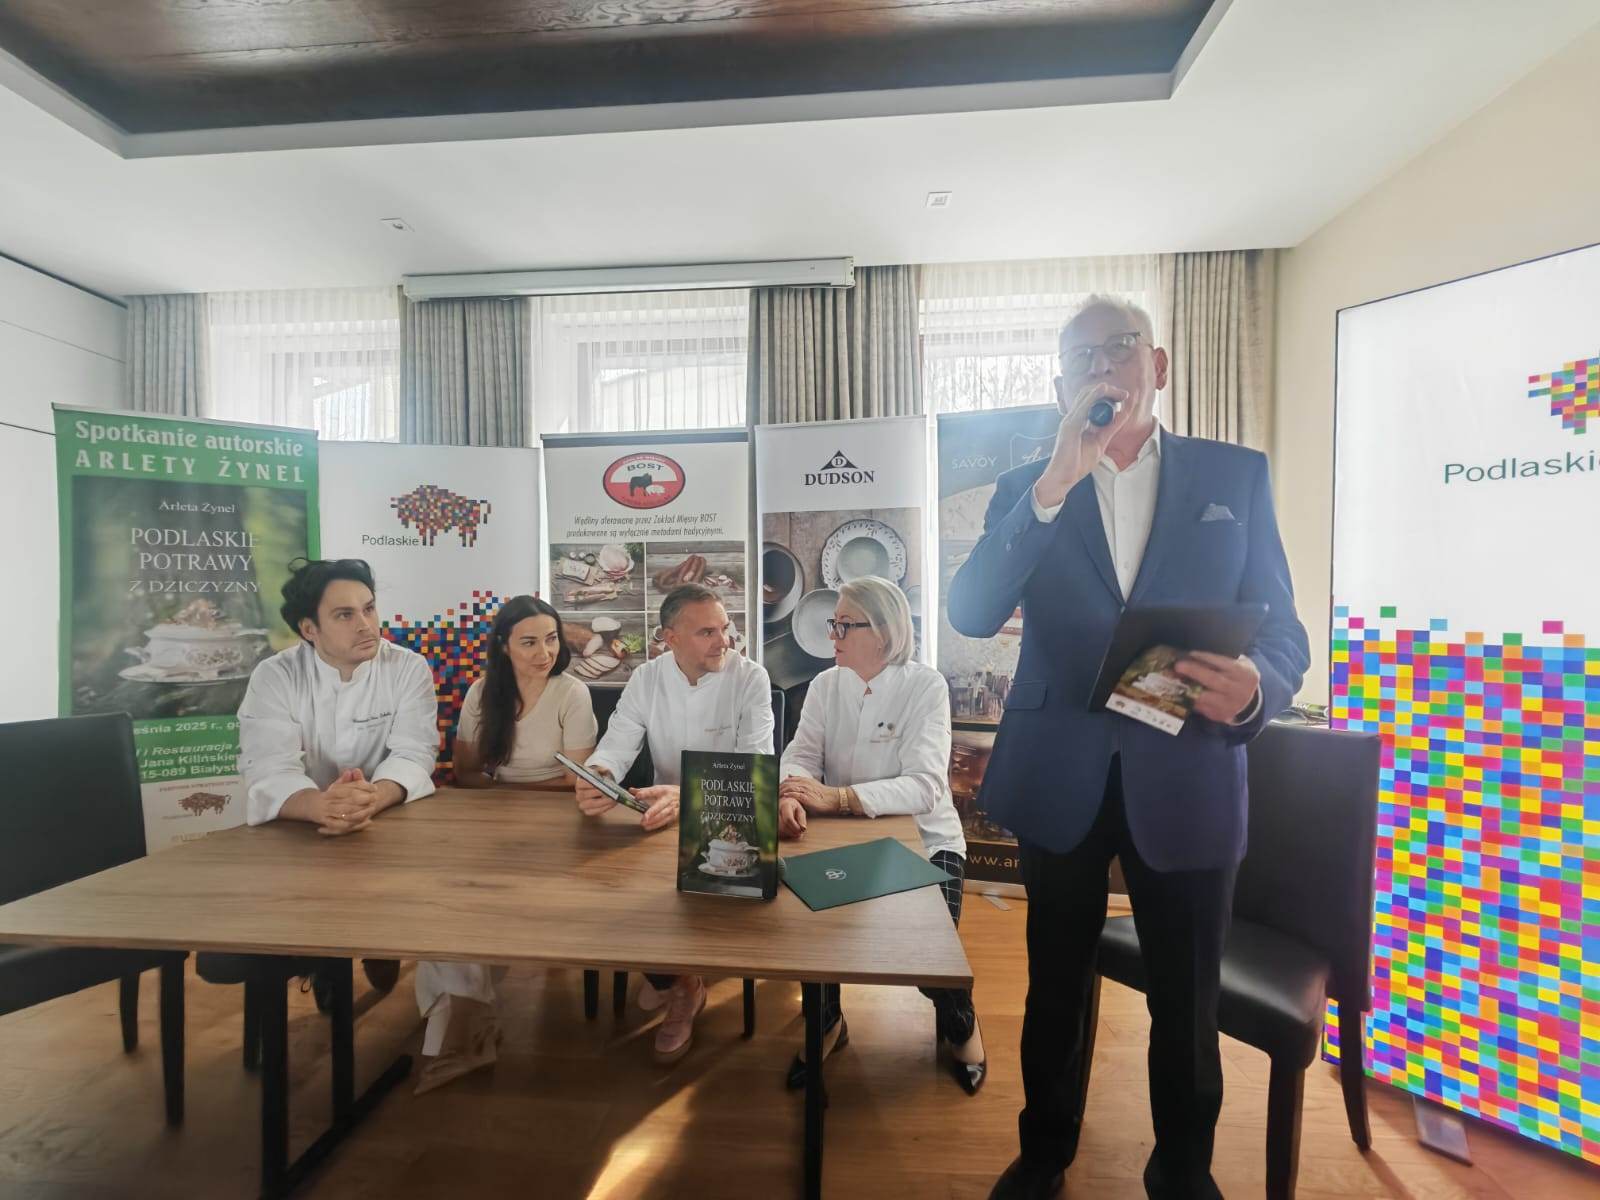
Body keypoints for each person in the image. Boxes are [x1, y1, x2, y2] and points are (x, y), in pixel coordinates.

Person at [948, 296, 1310, 1200]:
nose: (1102, 366)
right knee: (1054, 988)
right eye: (1081, 357)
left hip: (1188, 774)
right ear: (1059, 386)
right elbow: (971, 612)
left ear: (1158, 365)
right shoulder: (1029, 486)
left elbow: (1285, 635)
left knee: (1187, 999)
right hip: (1060, 775)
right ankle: (1044, 1154)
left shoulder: (1235, 476)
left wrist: (1258, 687)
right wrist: (1053, 484)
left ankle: (1182, 1171)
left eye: (1119, 347)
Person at [777, 576, 985, 1095]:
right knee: (813, 939)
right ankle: (828, 1023)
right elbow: (801, 754)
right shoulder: (826, 686)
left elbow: (925, 786)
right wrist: (791, 792)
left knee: (928, 957)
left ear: (885, 632)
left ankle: (961, 1024)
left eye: (845, 625)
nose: (833, 634)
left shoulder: (925, 686)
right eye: (834, 623)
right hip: (841, 841)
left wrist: (838, 798)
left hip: (926, 841)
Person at [217, 558, 438, 1010]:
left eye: (369, 608)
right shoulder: (276, 676)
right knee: (303, 917)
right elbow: (269, 766)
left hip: (385, 822)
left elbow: (414, 753)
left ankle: (381, 943)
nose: (366, 625)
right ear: (308, 629)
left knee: (398, 892)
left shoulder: (407, 668)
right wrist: (322, 806)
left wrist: (371, 798)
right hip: (305, 827)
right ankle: (322, 961)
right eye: (344, 614)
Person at [576, 582, 775, 1063]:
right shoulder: (647, 677)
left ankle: (681, 985)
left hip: (731, 816)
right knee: (614, 889)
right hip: (660, 816)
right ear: (670, 638)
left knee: (664, 900)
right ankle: (675, 976)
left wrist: (689, 797)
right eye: (707, 632)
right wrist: (599, 775)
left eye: (724, 628)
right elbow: (618, 741)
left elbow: (756, 770)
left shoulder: (750, 677)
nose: (723, 641)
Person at [412, 594, 600, 1092]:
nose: (545, 652)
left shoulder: (572, 692)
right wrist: (503, 794)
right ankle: (463, 1021)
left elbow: (575, 782)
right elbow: (465, 772)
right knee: (446, 896)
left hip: (560, 827)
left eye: (551, 639)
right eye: (530, 642)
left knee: (481, 895)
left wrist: (504, 790)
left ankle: (456, 1030)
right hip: (493, 821)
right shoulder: (482, 692)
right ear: (503, 646)